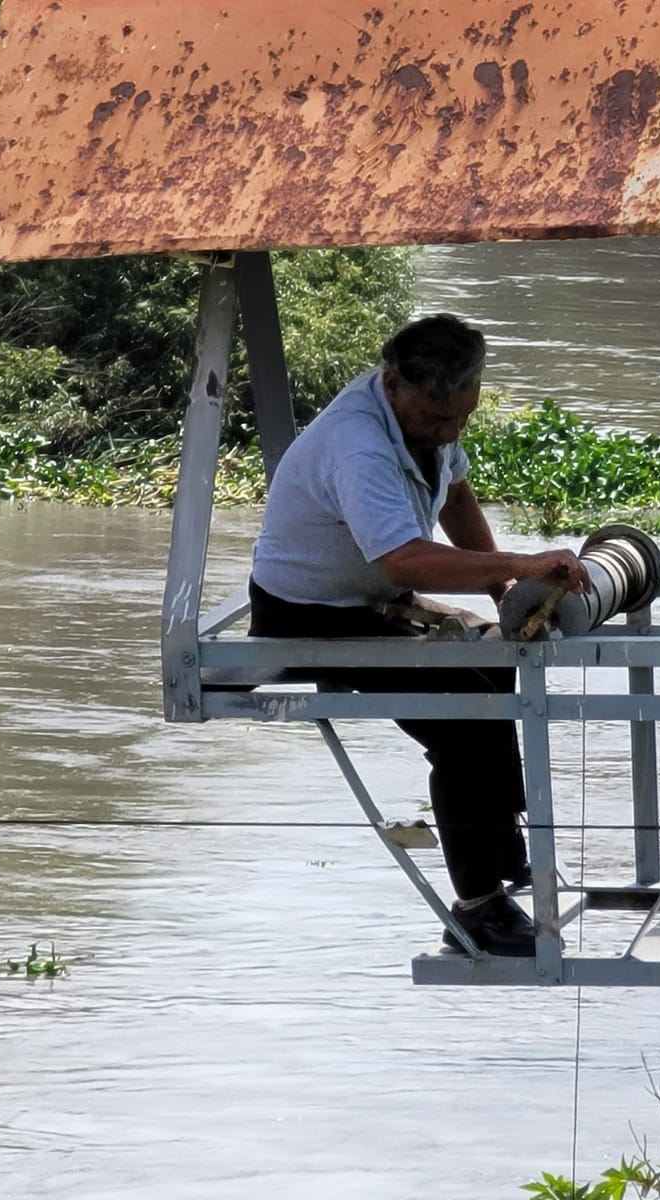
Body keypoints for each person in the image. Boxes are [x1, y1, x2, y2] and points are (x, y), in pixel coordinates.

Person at [247, 313, 587, 956]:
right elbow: (404, 561)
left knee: (497, 658)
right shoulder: (360, 445)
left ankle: (499, 838)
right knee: (463, 717)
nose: (450, 431)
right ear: (395, 384)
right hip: (309, 612)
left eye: (463, 417)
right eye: (438, 419)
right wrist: (517, 564)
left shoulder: (427, 420)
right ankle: (477, 908)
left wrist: (501, 593)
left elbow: (454, 492)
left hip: (370, 602)